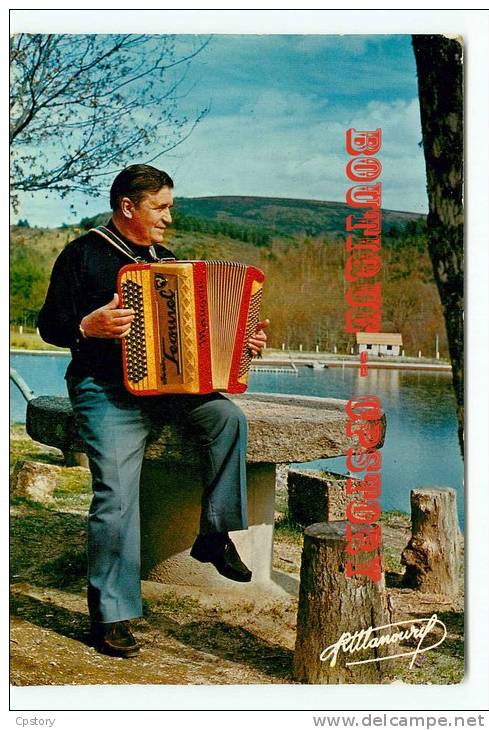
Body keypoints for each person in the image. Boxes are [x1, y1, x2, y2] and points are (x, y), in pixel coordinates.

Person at [37, 164, 268, 658]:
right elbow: (50, 326)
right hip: (105, 390)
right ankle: (113, 614)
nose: (169, 216)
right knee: (116, 495)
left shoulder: (167, 260)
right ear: (128, 206)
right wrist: (87, 326)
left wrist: (242, 343)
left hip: (167, 390)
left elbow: (195, 342)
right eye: (160, 206)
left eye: (169, 206)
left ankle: (213, 531)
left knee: (227, 419)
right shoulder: (82, 254)